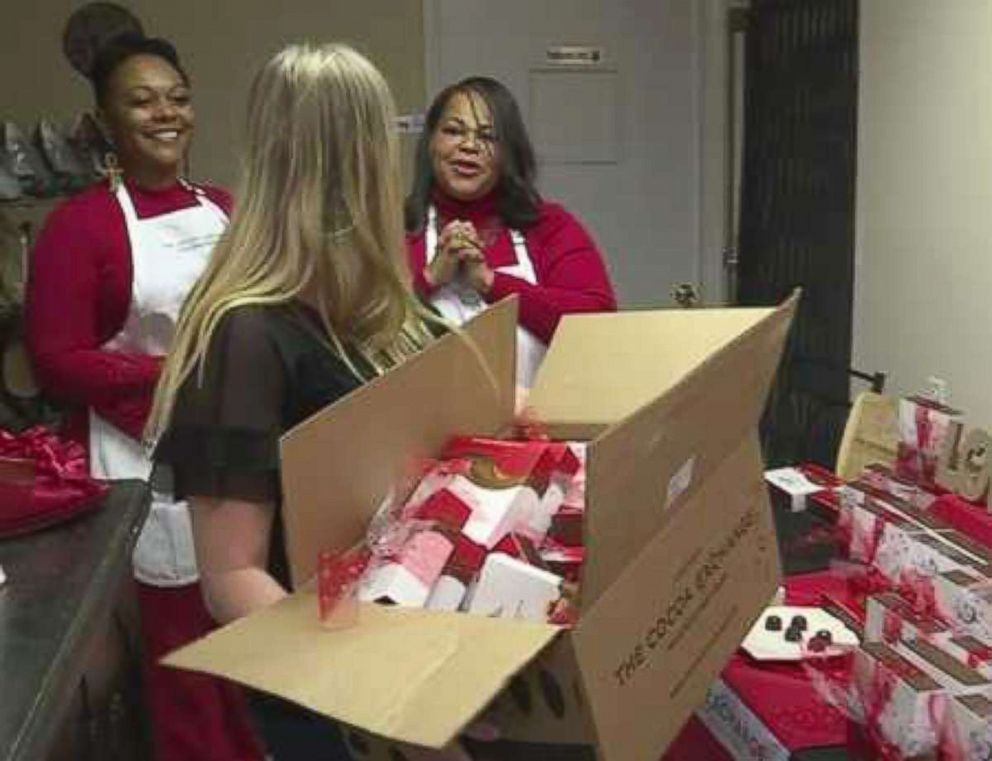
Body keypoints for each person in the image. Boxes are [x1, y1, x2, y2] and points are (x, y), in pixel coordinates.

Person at [147, 43, 454, 761]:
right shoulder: (244, 332)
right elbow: (231, 580)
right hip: (334, 700)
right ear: (354, 158)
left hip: (409, 648)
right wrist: (376, 686)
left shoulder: (371, 307)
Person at [25, 33, 263, 761]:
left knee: (246, 648)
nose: (166, 113)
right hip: (143, 461)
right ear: (105, 122)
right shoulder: (80, 227)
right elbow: (54, 362)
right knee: (182, 657)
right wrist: (173, 375)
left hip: (230, 455)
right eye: (142, 100)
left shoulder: (223, 207)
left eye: (178, 97)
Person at [406, 76, 617, 388]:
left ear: (509, 154)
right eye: (453, 131)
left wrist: (491, 283)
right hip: (417, 434)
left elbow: (597, 326)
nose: (469, 146)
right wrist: (430, 278)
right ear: (431, 143)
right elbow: (358, 335)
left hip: (534, 430)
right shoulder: (394, 226)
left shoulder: (550, 226)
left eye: (488, 137)